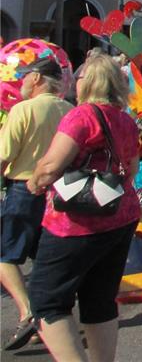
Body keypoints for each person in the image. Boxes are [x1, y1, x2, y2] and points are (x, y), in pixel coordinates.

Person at [26, 52, 141, 362]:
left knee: (46, 301)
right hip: (120, 216)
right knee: (100, 300)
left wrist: (35, 182)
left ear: (86, 83)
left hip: (75, 224)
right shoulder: (126, 120)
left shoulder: (82, 116)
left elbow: (51, 167)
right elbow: (131, 171)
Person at [0, 55, 72, 350]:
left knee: (6, 257)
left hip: (24, 189)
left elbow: (4, 154)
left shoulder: (23, 110)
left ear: (38, 78)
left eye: (26, 76)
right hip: (60, 193)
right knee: (45, 257)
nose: (22, 81)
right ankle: (52, 315)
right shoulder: (69, 109)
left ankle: (28, 309)